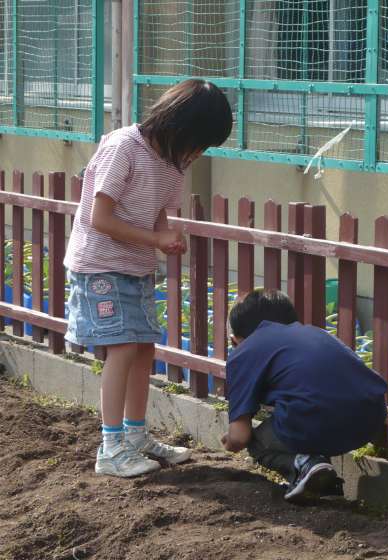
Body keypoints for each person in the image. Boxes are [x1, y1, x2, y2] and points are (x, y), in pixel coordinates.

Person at [64, 79, 233, 477]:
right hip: (99, 264)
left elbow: (157, 211)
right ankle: (110, 448)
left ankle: (135, 435)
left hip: (136, 265)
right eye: (199, 143)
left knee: (143, 349)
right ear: (179, 127)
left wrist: (165, 235)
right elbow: (99, 218)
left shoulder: (173, 163)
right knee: (122, 347)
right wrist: (156, 239)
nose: (199, 153)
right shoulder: (124, 147)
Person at [222, 289, 388, 503]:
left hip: (315, 422)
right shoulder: (316, 333)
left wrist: (229, 443)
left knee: (258, 443)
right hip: (371, 421)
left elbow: (239, 437)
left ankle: (305, 464)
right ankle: (324, 481)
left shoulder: (244, 352)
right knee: (306, 408)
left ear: (235, 341)